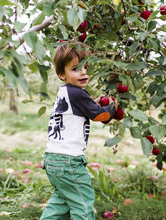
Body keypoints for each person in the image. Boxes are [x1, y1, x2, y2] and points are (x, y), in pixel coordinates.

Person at [40, 42, 118, 220]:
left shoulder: (66, 93)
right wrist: (113, 108)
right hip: (69, 162)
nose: (83, 72)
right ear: (61, 74)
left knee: (62, 200)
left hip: (52, 159)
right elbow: (100, 117)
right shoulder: (77, 94)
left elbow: (85, 108)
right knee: (82, 201)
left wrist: (95, 103)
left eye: (85, 67)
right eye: (75, 69)